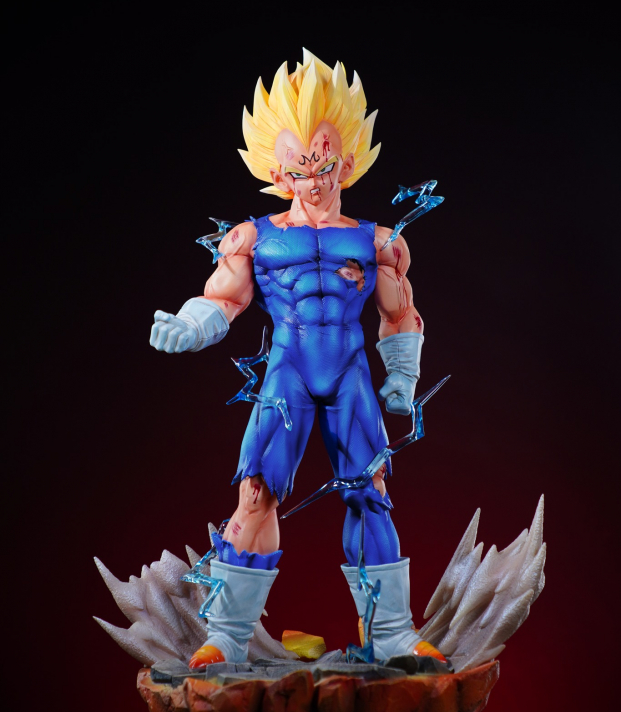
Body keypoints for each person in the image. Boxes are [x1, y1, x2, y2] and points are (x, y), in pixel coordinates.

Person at [150, 51, 446, 668]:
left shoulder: (379, 243)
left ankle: (391, 633)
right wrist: (190, 326)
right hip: (287, 372)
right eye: (299, 168)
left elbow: (400, 315)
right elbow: (224, 298)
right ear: (277, 170)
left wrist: (403, 375)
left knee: (370, 491)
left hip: (348, 372)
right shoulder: (253, 238)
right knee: (256, 492)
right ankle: (227, 638)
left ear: (348, 161)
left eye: (325, 164)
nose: (314, 180)